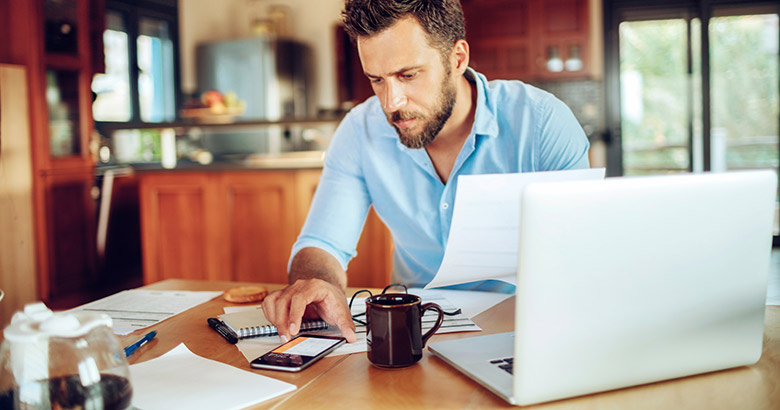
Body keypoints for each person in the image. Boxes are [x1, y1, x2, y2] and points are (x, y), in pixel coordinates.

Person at [262, 0, 590, 343]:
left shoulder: (541, 123)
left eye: (408, 76)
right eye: (377, 79)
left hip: (523, 331)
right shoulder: (360, 131)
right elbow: (323, 243)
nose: (392, 102)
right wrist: (319, 284)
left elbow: (580, 255)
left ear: (457, 58)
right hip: (414, 334)